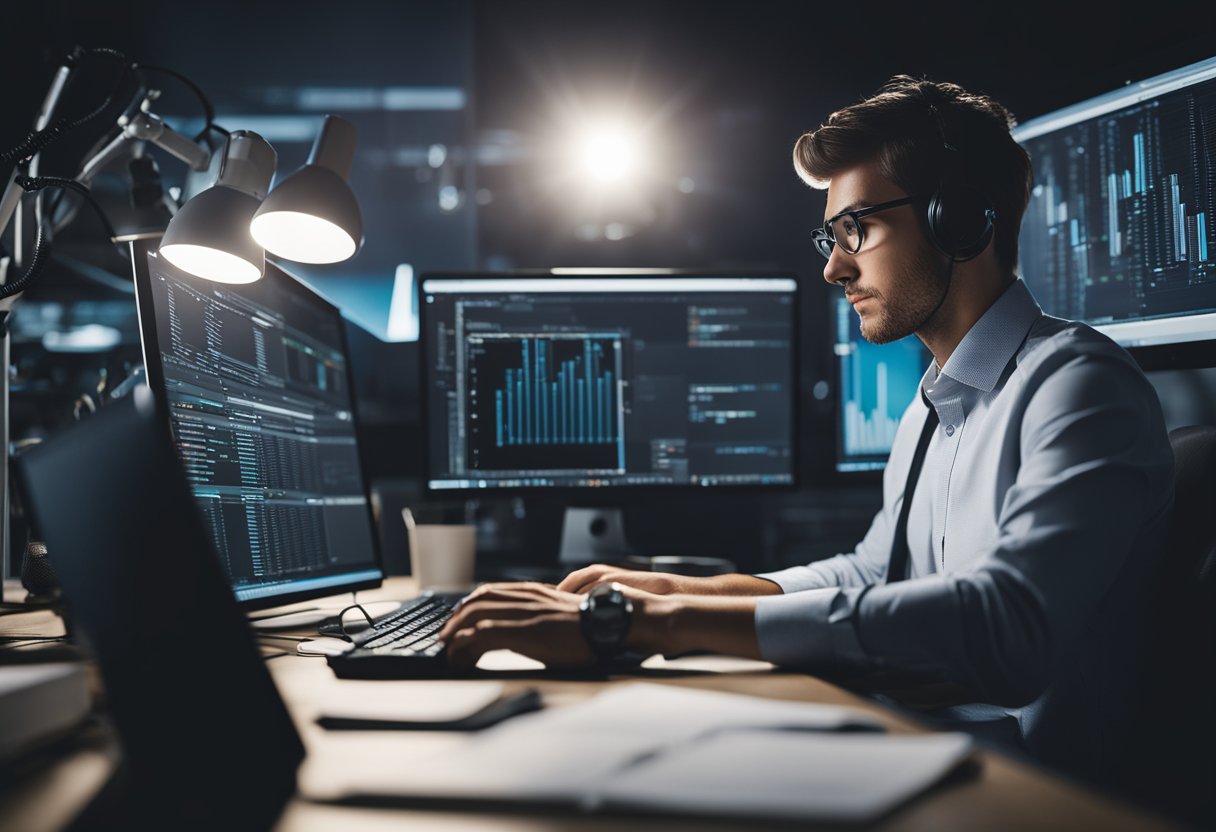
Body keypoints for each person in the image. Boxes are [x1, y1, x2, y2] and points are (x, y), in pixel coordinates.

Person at [437, 76, 1174, 785]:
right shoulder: (932, 407)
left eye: (858, 227)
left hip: (1029, 800)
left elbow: (1005, 627)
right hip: (933, 758)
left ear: (962, 220)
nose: (834, 269)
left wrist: (649, 622)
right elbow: (870, 574)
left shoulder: (1079, 387)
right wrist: (667, 589)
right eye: (831, 234)